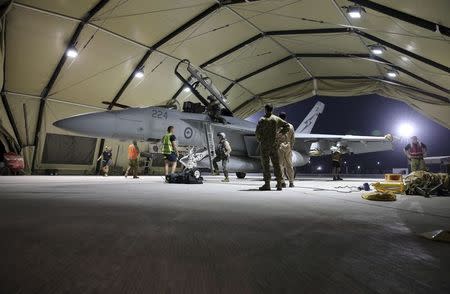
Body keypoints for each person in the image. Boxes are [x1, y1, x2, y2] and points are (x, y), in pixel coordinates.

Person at [255, 104, 290, 191]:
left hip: (265, 145)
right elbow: (287, 126)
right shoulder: (276, 119)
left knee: (266, 165)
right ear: (272, 110)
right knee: (276, 164)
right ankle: (279, 184)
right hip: (274, 145)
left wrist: (260, 140)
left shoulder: (262, 119)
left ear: (265, 110)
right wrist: (279, 134)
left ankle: (267, 184)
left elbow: (257, 132)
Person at [277, 112, 296, 188]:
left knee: (280, 165)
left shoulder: (277, 126)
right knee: (289, 165)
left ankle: (282, 182)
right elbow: (293, 138)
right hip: (288, 146)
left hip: (280, 146)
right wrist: (291, 146)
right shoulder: (291, 126)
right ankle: (291, 182)